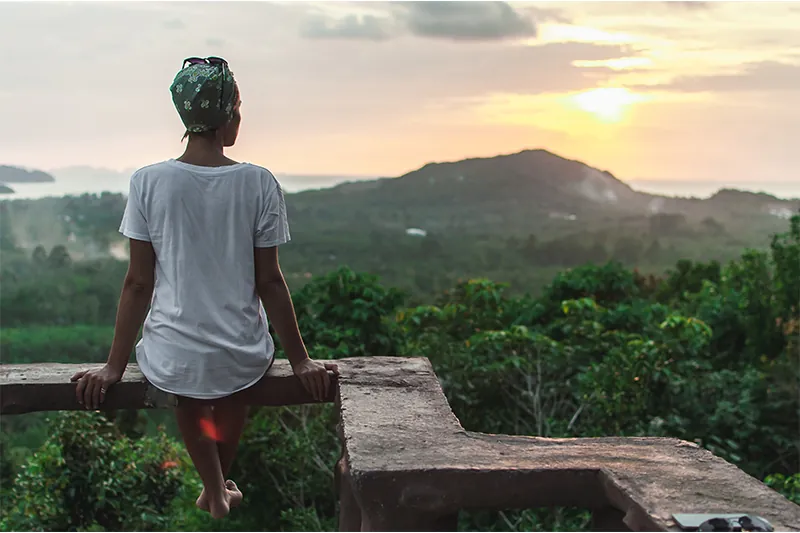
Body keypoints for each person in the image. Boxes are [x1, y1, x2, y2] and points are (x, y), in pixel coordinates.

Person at [70, 56, 338, 520]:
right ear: (228, 115)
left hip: (173, 351)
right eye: (238, 107)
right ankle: (218, 489)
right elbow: (270, 281)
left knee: (188, 379)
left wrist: (114, 366)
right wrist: (300, 359)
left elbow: (137, 282)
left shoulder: (148, 181)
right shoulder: (258, 182)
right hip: (241, 350)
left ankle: (214, 489)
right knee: (236, 377)